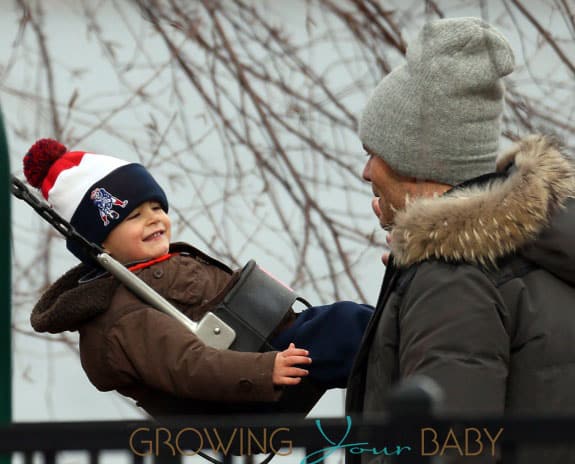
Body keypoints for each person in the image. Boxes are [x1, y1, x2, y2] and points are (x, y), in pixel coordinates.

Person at [346, 17, 575, 463]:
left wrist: (421, 268)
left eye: (375, 153)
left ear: (415, 163)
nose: (366, 171)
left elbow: (449, 449)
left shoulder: (452, 279)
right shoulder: (539, 250)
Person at [24, 138, 373, 418]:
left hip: (261, 355)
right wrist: (263, 371)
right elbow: (186, 363)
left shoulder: (156, 268)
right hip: (245, 385)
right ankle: (417, 377)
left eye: (157, 208)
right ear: (100, 243)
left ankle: (405, 384)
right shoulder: (121, 312)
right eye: (134, 215)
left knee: (362, 330)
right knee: (349, 327)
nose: (155, 219)